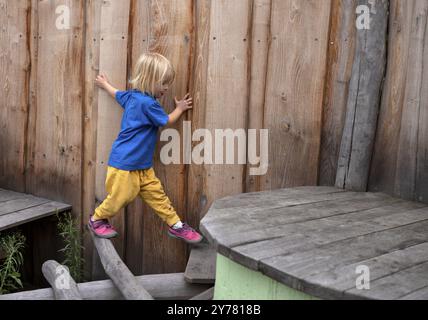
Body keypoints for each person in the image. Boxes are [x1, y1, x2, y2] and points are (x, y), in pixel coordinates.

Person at [88, 52, 203, 244]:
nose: (166, 87)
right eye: (164, 83)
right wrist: (180, 108)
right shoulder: (149, 104)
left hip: (141, 165)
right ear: (150, 80)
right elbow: (167, 120)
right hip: (126, 164)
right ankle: (96, 219)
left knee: (158, 196)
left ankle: (176, 225)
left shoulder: (133, 97)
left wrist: (105, 84)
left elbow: (117, 95)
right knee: (120, 196)